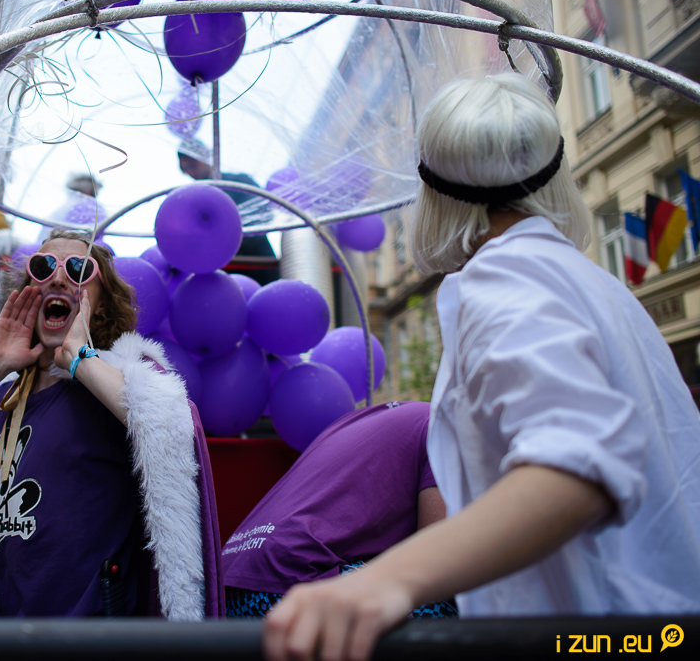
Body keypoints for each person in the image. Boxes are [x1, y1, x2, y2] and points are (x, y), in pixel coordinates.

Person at [264, 73, 700, 661]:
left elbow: (580, 460)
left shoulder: (507, 274)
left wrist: (382, 583)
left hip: (601, 640)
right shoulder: (592, 282)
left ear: (434, 191)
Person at [0, 228, 222, 620]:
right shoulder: (4, 400)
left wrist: (78, 356)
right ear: (29, 293)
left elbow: (169, 426)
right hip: (6, 634)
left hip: (84, 637)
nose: (59, 278)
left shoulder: (117, 381)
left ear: (101, 305)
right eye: (44, 266)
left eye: (79, 269)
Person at [223, 402, 455, 620]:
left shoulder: (372, 417)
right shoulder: (447, 427)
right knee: (445, 607)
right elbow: (437, 563)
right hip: (292, 587)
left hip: (228, 587)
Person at [177, 138, 278, 285]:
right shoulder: (191, 201)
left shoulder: (238, 182)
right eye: (186, 170)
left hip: (258, 264)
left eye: (193, 165)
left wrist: (225, 238)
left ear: (204, 156)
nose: (191, 173)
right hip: (222, 276)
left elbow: (262, 215)